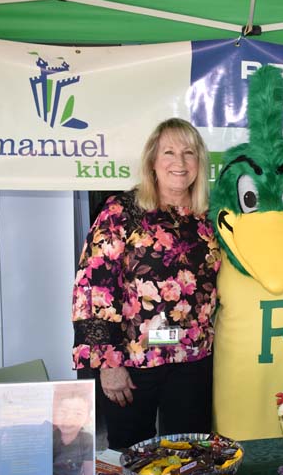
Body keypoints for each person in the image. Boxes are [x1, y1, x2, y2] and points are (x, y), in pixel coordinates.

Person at [71, 118, 221, 449]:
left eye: (189, 152)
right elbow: (92, 290)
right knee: (129, 453)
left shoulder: (208, 219)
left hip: (191, 362)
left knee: (189, 455)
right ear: (153, 161)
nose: (179, 163)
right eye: (169, 152)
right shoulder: (120, 212)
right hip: (132, 362)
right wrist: (107, 363)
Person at [52, 384, 94, 475]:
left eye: (78, 413)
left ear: (87, 419)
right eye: (63, 412)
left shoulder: (87, 440)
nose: (68, 419)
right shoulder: (51, 437)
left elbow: (89, 470)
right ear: (54, 414)